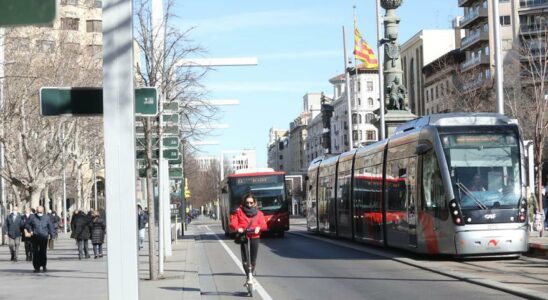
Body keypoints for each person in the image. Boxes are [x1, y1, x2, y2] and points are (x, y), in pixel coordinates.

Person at [230, 193, 268, 284]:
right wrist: (237, 228)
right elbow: (233, 222)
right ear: (244, 203)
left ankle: (250, 274)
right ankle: (248, 276)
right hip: (244, 236)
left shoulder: (259, 214)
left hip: (255, 236)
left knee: (253, 259)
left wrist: (259, 228)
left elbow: (264, 225)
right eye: (247, 203)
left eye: (251, 203)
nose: (249, 205)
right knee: (245, 259)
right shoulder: (238, 211)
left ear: (255, 203)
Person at [25, 206, 55, 273]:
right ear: (36, 211)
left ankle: (44, 265)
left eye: (40, 211)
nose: (39, 213)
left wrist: (52, 235)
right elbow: (27, 224)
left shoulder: (46, 217)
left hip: (44, 236)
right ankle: (36, 267)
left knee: (43, 252)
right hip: (35, 236)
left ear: (43, 211)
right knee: (35, 253)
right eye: (38, 211)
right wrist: (30, 230)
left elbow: (50, 226)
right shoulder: (32, 217)